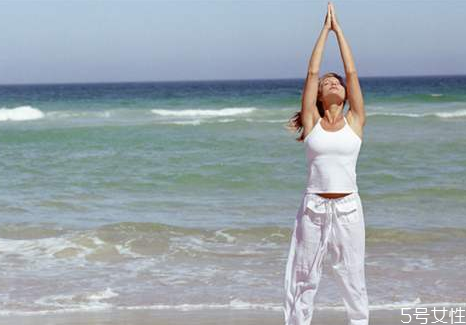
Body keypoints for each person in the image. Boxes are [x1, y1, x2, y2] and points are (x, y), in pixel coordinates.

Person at [283, 2, 369, 325]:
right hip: (313, 211)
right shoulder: (312, 123)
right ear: (318, 96)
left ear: (346, 94)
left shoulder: (355, 121)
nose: (332, 83)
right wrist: (323, 30)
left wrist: (339, 29)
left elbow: (352, 72)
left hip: (348, 210)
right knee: (302, 280)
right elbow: (312, 72)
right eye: (326, 83)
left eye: (337, 83)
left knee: (353, 283)